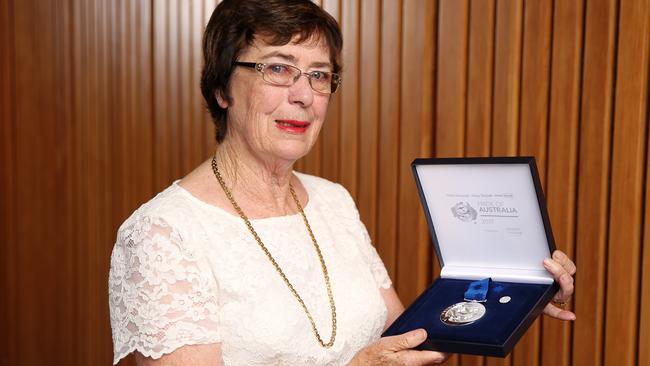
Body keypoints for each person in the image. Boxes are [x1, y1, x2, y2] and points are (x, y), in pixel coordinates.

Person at [108, 1, 577, 365]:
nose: (303, 95)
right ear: (221, 88)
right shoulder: (162, 233)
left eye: (319, 75)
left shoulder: (333, 201)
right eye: (277, 68)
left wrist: (513, 296)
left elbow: (406, 339)